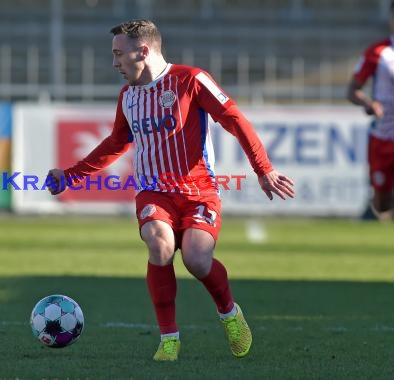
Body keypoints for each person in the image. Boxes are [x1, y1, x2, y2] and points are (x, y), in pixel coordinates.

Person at [47, 19, 295, 361]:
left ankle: (229, 313)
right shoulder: (128, 97)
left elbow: (234, 119)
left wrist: (263, 169)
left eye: (119, 54)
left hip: (199, 192)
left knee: (196, 258)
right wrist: (71, 176)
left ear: (143, 51)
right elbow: (116, 142)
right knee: (160, 243)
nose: (115, 62)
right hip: (153, 191)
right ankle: (169, 339)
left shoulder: (191, 80)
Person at [347, 1, 394, 222]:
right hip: (383, 136)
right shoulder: (378, 52)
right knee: (382, 203)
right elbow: (352, 91)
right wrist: (369, 104)